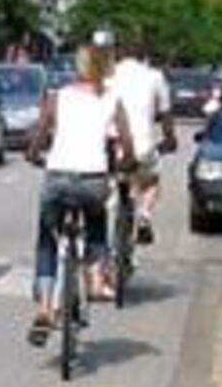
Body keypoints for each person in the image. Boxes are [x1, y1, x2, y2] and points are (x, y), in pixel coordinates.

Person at [24, 43, 136, 348]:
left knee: (47, 240)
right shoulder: (112, 99)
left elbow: (39, 135)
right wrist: (128, 164)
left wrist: (34, 155)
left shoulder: (57, 97)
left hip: (57, 177)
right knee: (97, 219)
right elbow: (126, 141)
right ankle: (97, 279)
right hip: (93, 179)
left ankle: (45, 309)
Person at [106, 33, 174, 245]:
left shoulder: (108, 75)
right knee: (151, 179)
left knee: (109, 181)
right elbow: (165, 113)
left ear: (119, 54)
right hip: (142, 145)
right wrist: (169, 137)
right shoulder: (155, 76)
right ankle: (144, 215)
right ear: (143, 56)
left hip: (112, 143)